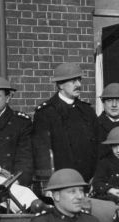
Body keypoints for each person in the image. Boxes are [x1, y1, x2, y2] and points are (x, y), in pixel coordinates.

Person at [32, 62, 99, 192]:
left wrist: (96, 177)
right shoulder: (46, 113)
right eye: (73, 81)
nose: (78, 85)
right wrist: (48, 186)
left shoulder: (87, 111)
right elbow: (42, 154)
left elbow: (97, 146)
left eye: (79, 80)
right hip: (60, 185)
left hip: (87, 183)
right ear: (60, 85)